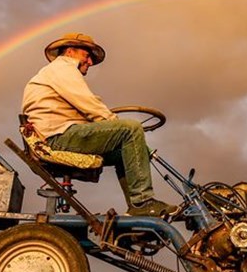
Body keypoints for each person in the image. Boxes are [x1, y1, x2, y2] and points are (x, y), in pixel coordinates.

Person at [21, 32, 178, 218]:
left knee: (123, 152)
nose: (90, 62)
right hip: (58, 137)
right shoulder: (62, 68)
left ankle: (138, 210)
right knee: (131, 129)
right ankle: (143, 201)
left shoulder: (56, 73)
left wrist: (131, 142)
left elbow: (86, 112)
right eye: (86, 56)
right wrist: (113, 122)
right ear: (70, 51)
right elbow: (88, 103)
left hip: (61, 133)